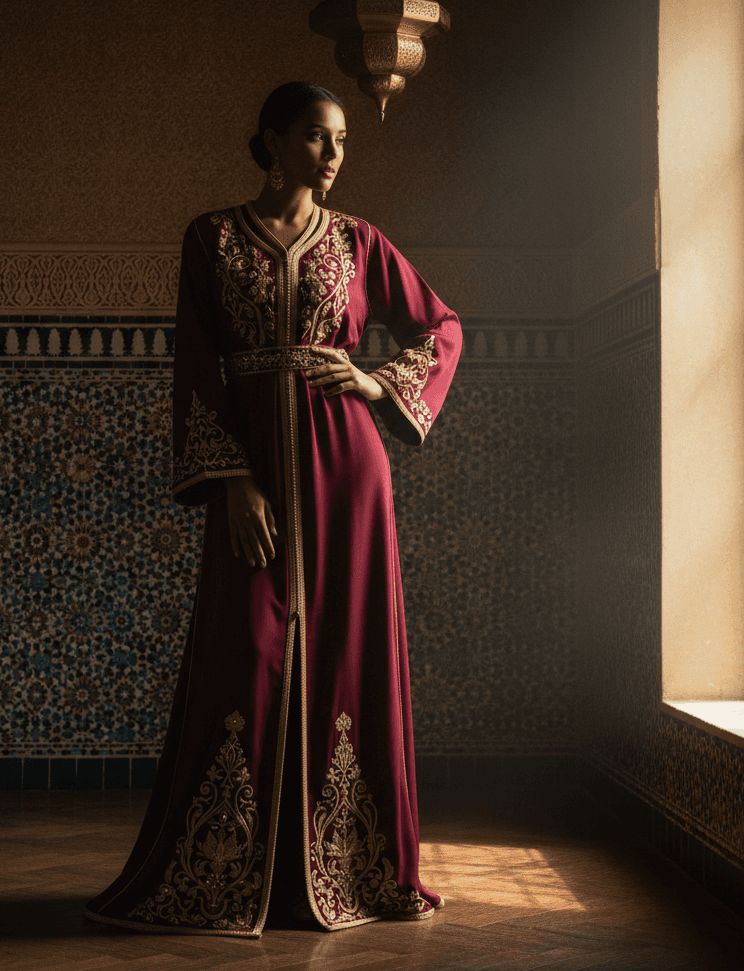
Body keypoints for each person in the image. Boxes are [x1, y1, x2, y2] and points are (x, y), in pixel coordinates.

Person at [83, 82, 461, 937]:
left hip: (349, 470)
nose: (333, 155)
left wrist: (375, 383)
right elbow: (197, 367)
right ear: (274, 140)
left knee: (346, 651)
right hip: (250, 471)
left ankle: (345, 866)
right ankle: (229, 868)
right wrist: (232, 481)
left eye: (341, 140)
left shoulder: (360, 241)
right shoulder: (212, 238)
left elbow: (440, 327)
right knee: (247, 651)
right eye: (318, 137)